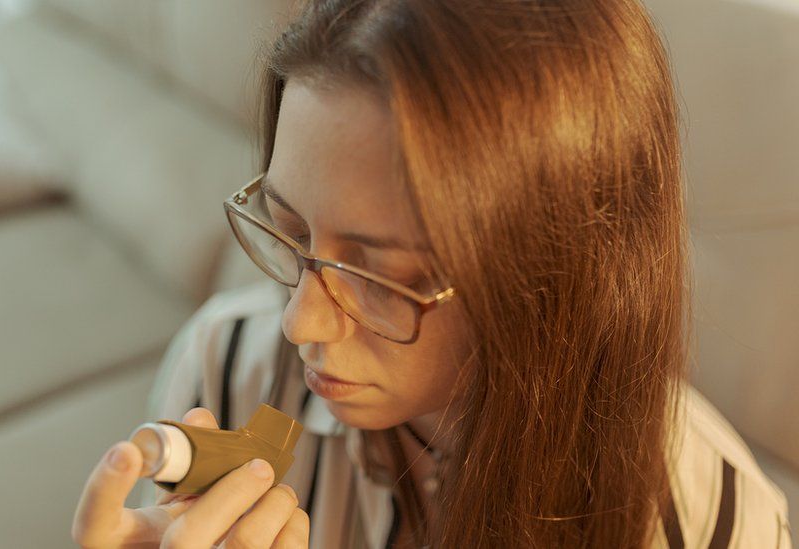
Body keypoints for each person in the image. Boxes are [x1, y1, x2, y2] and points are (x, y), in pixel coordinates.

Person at [71, 0, 794, 547]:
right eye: (292, 232)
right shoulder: (228, 367)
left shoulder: (709, 517)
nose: (299, 321)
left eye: (379, 276)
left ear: (547, 279)